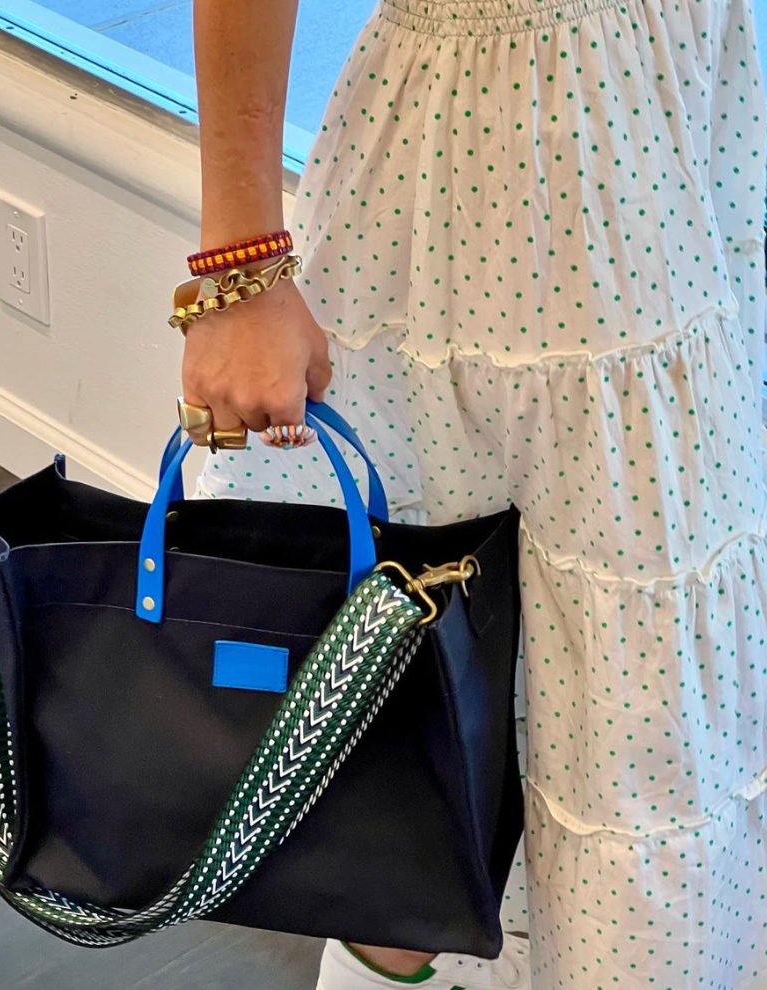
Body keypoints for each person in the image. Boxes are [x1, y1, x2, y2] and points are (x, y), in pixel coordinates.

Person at [185, 1, 767, 987]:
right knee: (423, 661)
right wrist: (238, 271)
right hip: (504, 141)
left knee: (640, 712)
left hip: (677, 108)